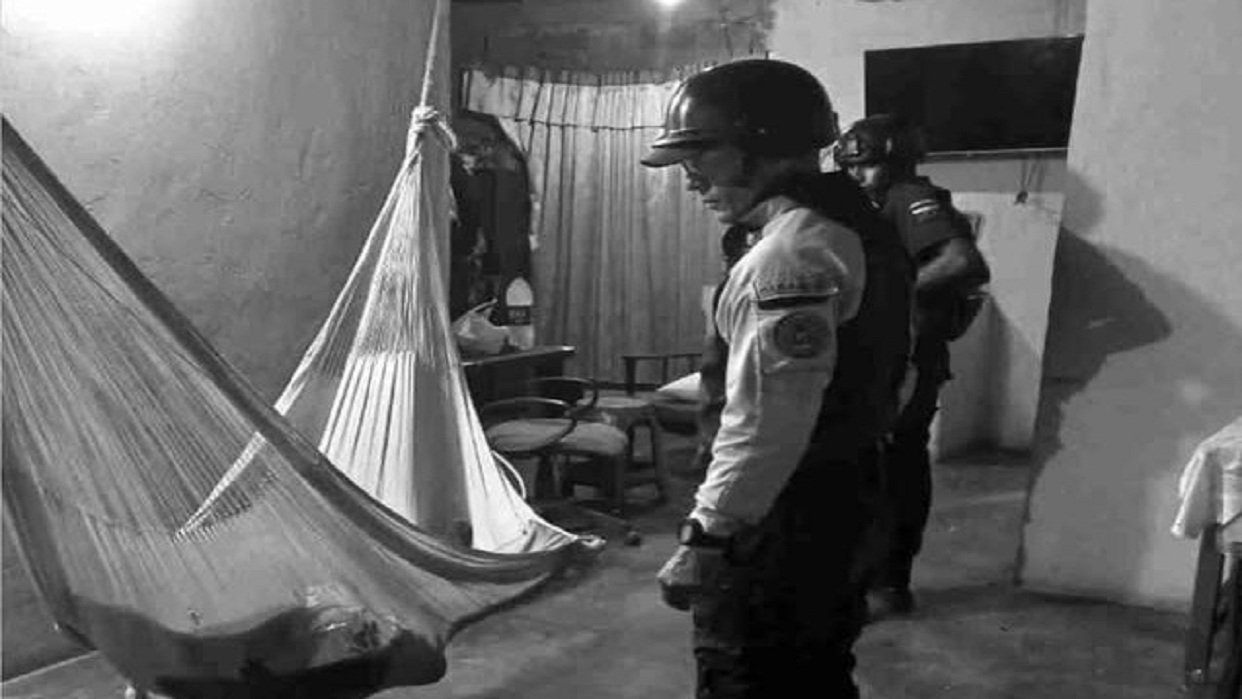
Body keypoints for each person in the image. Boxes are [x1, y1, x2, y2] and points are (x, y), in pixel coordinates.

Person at [641, 59, 912, 698]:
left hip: (779, 521)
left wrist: (708, 534)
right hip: (840, 496)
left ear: (758, 147)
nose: (690, 179)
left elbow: (767, 420)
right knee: (816, 672)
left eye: (700, 156)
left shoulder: (789, 255)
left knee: (748, 674)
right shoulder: (856, 227)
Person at [834, 113, 992, 619]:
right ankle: (884, 581)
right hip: (900, 357)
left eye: (867, 164)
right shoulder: (882, 202)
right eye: (850, 166)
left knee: (892, 470)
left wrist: (885, 296)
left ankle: (887, 583)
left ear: (897, 160)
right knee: (891, 466)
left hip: (909, 360)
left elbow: (963, 262)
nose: (857, 174)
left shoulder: (907, 196)